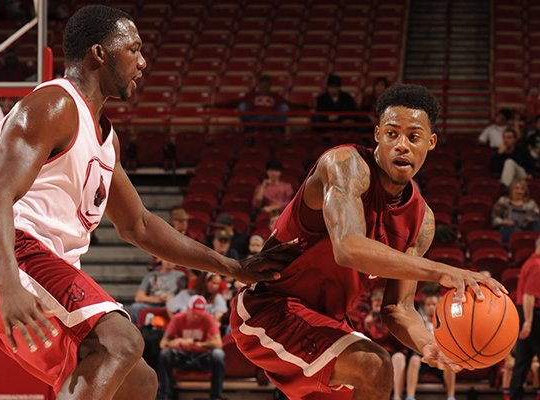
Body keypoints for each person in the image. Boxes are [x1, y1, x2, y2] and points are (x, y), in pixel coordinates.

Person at [0, 6, 291, 399]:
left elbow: (139, 224)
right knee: (121, 341)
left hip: (36, 258)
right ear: (99, 53)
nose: (142, 63)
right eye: (134, 49)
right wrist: (7, 284)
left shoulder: (107, 140)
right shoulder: (54, 106)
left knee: (138, 384)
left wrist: (233, 267)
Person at [229, 84, 506, 400]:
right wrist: (441, 271)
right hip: (270, 308)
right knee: (374, 365)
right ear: (377, 134)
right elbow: (349, 247)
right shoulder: (344, 164)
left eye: (413, 137)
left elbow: (397, 308)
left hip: (327, 324)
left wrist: (428, 343)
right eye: (392, 134)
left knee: (369, 371)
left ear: (430, 143)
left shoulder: (422, 220)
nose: (401, 145)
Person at [157, 295, 225, 400]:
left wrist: (199, 344)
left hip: (201, 356)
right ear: (188, 309)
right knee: (165, 354)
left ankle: (216, 397)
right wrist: (179, 342)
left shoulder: (207, 318)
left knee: (218, 355)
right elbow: (163, 343)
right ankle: (165, 396)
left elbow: (218, 344)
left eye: (199, 314)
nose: (197, 317)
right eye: (194, 313)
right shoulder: (178, 318)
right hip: (182, 356)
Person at [405, 289, 456, 400]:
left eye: (434, 304)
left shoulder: (446, 321)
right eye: (428, 304)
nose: (431, 307)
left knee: (449, 360)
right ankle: (410, 397)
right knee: (413, 360)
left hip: (439, 358)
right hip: (423, 359)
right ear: (424, 306)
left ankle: (451, 397)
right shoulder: (419, 321)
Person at [509, 235, 540, 400]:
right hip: (532, 314)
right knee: (524, 357)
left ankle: (515, 394)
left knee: (523, 358)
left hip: (525, 313)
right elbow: (529, 295)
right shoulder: (536, 265)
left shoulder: (530, 261)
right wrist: (528, 322)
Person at [363, 289, 408, 400]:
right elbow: (361, 342)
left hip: (392, 351)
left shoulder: (391, 317)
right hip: (374, 352)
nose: (378, 309)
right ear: (372, 305)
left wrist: (389, 325)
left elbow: (399, 343)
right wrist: (366, 328)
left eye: (380, 305)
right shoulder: (366, 320)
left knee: (399, 357)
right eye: (376, 305)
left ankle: (397, 397)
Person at [128, 257, 187, 325]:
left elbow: (184, 294)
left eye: (172, 259)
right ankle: (139, 330)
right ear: (160, 259)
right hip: (152, 304)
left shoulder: (181, 275)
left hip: (172, 303)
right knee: (135, 307)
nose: (169, 262)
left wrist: (170, 299)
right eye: (166, 258)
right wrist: (158, 299)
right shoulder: (151, 275)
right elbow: (138, 297)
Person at [492, 178, 540, 243]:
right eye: (516, 188)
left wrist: (532, 219)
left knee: (537, 223)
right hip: (509, 228)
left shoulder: (531, 203)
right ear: (511, 189)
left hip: (526, 227)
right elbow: (495, 218)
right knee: (508, 229)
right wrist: (504, 222)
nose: (519, 191)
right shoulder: (503, 201)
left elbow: (537, 217)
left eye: (522, 189)